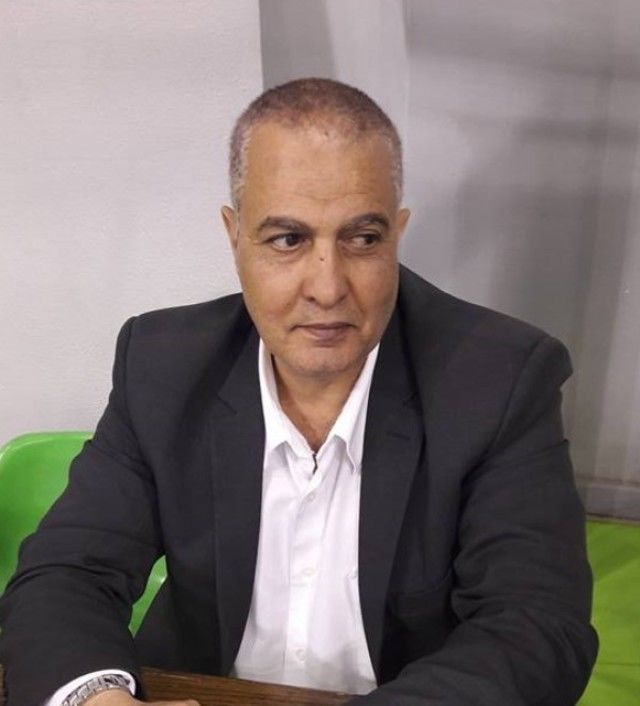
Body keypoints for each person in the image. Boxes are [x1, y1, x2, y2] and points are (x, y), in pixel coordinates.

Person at [0, 78, 597, 706]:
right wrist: (98, 698)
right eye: (288, 239)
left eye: (362, 239)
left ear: (397, 233)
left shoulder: (501, 378)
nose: (327, 287)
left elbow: (535, 627)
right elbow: (67, 573)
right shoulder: (163, 365)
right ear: (234, 236)